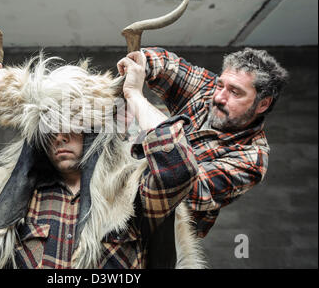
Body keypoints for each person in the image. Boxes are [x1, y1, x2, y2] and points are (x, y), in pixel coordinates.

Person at [0, 54, 205, 269]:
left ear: (92, 130)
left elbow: (179, 165)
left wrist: (134, 95)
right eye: (48, 128)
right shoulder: (13, 194)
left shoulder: (129, 193)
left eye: (71, 124)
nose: (59, 137)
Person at [119, 47, 289, 238]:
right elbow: (168, 65)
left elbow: (177, 185)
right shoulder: (208, 91)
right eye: (220, 85)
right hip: (123, 189)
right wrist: (143, 61)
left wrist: (135, 96)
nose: (219, 97)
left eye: (235, 92)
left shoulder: (251, 159)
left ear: (263, 103)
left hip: (158, 231)